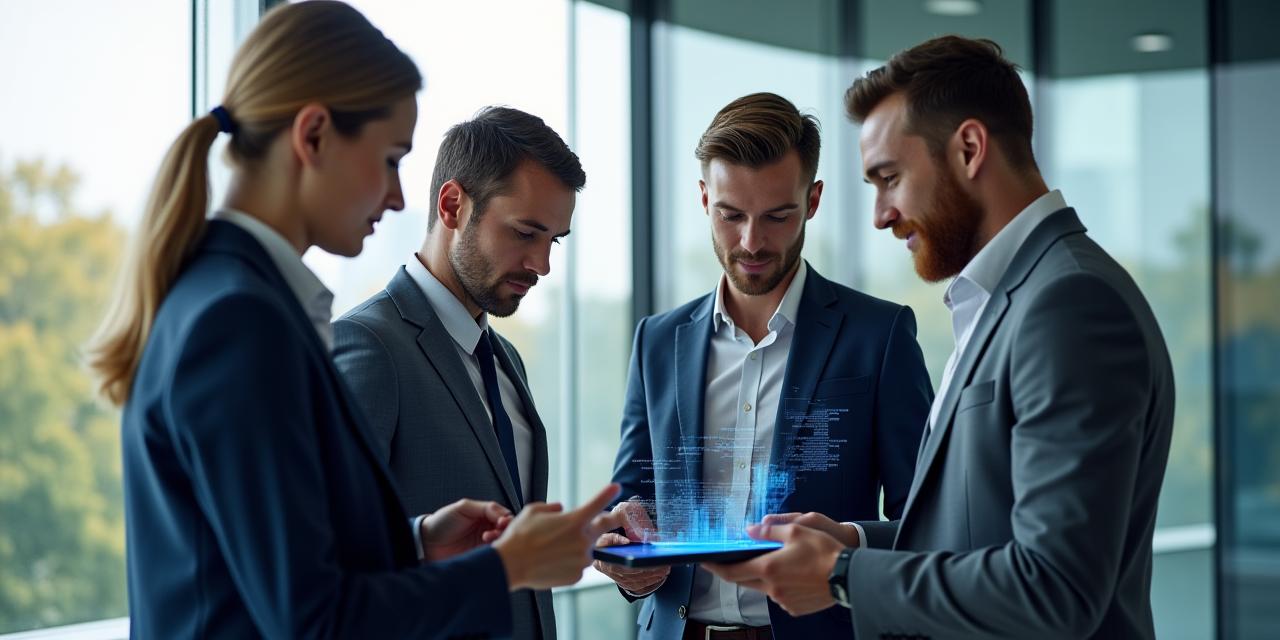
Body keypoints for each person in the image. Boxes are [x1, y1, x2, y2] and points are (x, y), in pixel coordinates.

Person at [86, 3, 616, 637]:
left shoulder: (229, 301)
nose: (396, 196)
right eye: (391, 158)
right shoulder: (241, 322)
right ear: (312, 136)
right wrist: (504, 566)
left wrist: (415, 542)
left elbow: (285, 560)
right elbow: (313, 621)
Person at [704, 36, 1175, 640]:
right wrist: (851, 540)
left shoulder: (1068, 304)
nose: (880, 214)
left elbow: (1056, 587)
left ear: (969, 149)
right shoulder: (1008, 298)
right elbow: (980, 535)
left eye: (889, 177)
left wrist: (843, 575)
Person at [598, 92, 933, 640]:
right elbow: (631, 497)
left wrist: (847, 539)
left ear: (814, 199)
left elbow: (928, 521)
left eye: (778, 216)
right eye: (731, 215)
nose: (752, 242)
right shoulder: (657, 341)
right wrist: (625, 557)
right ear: (705, 199)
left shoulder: (881, 335)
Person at [332, 105, 585, 639]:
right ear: (452, 205)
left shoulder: (505, 359)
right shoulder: (369, 345)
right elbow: (328, 550)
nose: (542, 264)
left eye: (553, 241)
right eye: (525, 233)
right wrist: (423, 536)